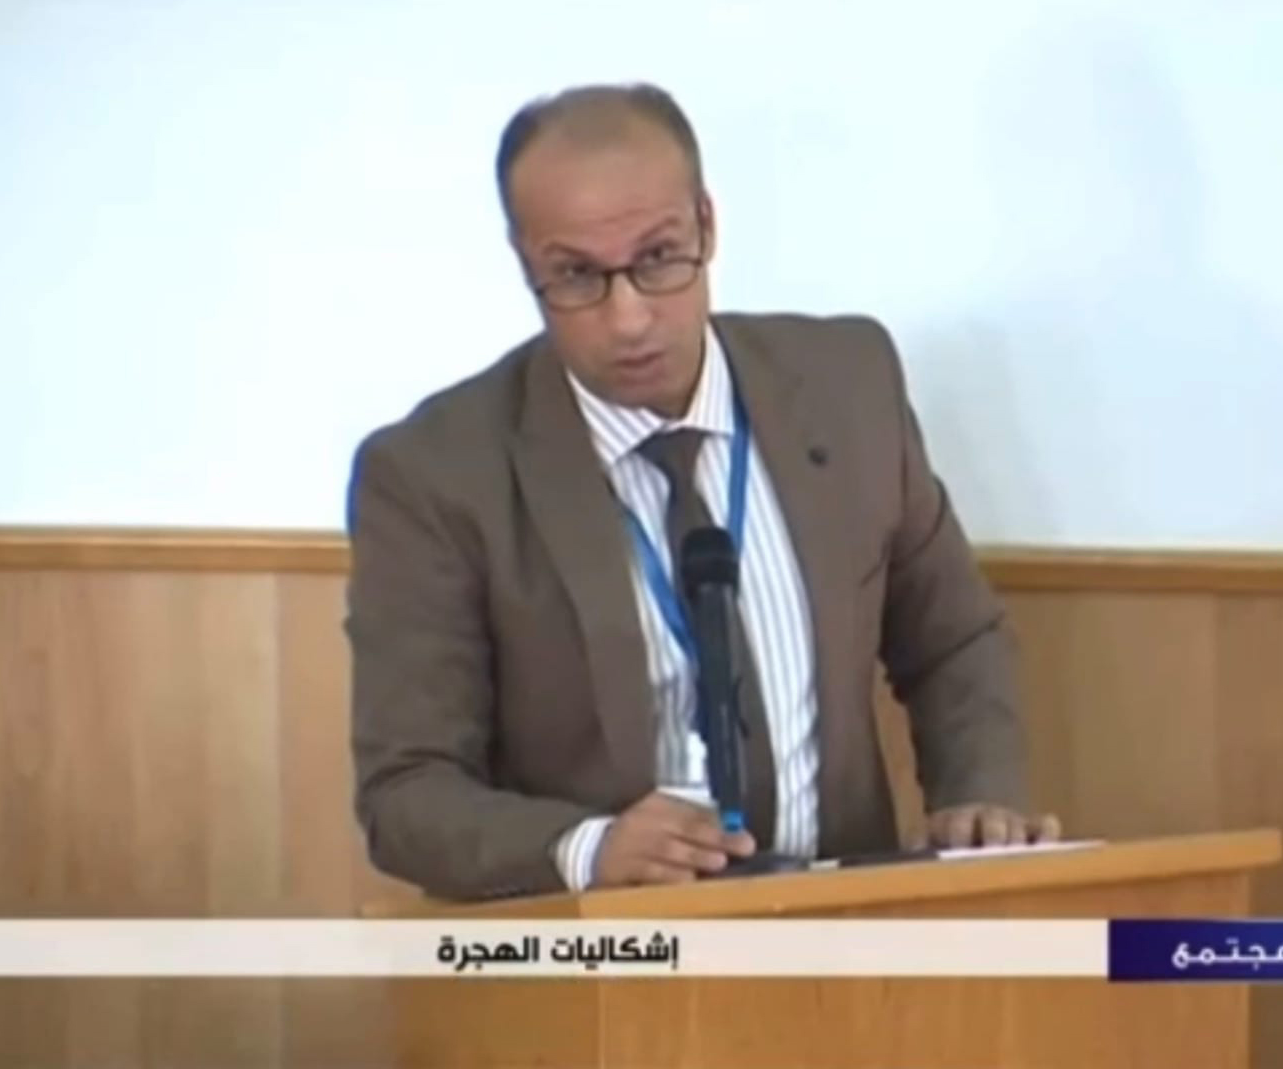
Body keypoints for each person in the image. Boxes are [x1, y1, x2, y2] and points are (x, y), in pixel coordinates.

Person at [344, 82, 1058, 900]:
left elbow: (953, 639)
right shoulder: (433, 474)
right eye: (576, 275)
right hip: (607, 951)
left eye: (658, 258)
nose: (629, 319)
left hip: (842, 929)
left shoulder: (849, 385)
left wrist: (978, 795)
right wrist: (587, 848)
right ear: (524, 263)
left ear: (707, 226)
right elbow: (408, 791)